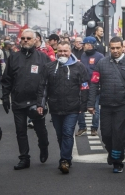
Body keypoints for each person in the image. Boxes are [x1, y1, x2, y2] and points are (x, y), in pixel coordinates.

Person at [0, 28, 51, 170]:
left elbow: (48, 80)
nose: (25, 41)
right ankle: (24, 158)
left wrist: (48, 99)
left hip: (36, 102)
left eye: (28, 38)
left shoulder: (43, 58)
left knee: (40, 129)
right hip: (18, 101)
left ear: (35, 40)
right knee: (20, 131)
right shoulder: (13, 57)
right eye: (23, 38)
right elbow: (6, 79)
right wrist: (5, 97)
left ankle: (44, 146)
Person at [87, 36, 125, 173]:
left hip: (123, 105)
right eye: (112, 48)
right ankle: (112, 152)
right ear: (109, 48)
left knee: (118, 134)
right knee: (106, 134)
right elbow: (94, 84)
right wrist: (91, 103)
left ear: (122, 48)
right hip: (106, 105)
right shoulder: (101, 63)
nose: (115, 50)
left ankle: (118, 161)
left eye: (118, 48)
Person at [37, 41, 89, 174]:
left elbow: (84, 86)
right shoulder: (48, 67)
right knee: (60, 135)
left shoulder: (79, 67)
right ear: (56, 52)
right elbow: (43, 87)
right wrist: (41, 104)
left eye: (65, 51)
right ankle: (67, 157)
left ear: (70, 52)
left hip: (73, 107)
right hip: (55, 107)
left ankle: (64, 160)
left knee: (67, 133)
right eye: (60, 51)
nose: (62, 53)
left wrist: (83, 105)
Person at [76, 37, 103, 136]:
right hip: (83, 84)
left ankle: (94, 128)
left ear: (91, 45)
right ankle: (82, 127)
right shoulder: (83, 55)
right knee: (80, 106)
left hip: (94, 86)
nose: (84, 46)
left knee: (95, 108)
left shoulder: (100, 56)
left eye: (85, 44)